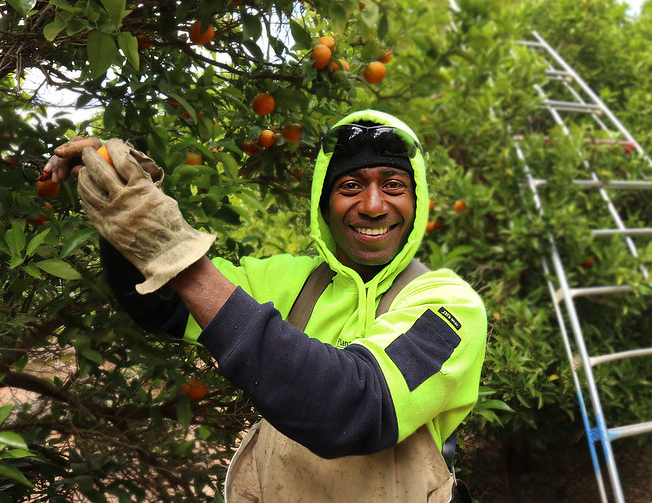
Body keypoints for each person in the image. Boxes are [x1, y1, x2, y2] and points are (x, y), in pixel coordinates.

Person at [47, 109, 487, 502]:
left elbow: (356, 409)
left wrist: (180, 256)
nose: (373, 206)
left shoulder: (450, 305)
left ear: (417, 201)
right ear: (324, 205)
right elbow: (161, 304)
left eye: (394, 186)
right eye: (350, 186)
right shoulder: (287, 280)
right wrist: (118, 200)